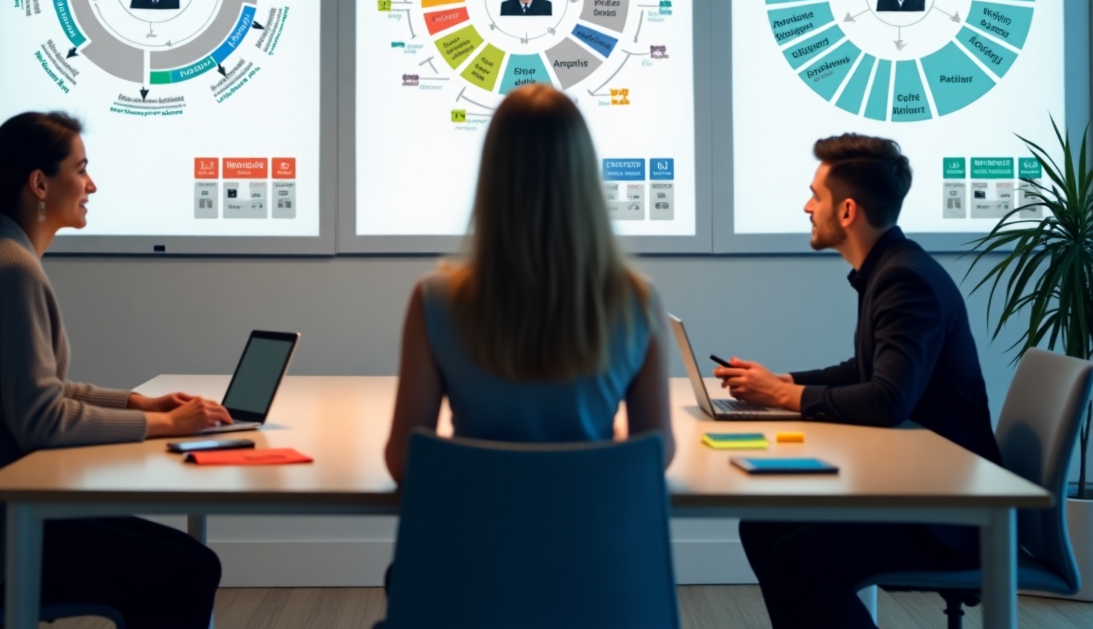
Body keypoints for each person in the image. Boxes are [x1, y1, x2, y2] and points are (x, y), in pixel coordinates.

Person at [714, 134, 1000, 629]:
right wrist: (780, 381)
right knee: (762, 526)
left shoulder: (904, 279)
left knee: (797, 557)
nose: (807, 207)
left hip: (948, 515)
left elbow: (887, 400)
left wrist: (781, 394)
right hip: (918, 486)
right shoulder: (889, 269)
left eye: (815, 195)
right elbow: (865, 370)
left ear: (846, 211)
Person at [0, 111, 231, 628]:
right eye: (81, 169)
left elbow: (38, 389)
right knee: (186, 570)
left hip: (3, 518)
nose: (92, 185)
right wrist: (167, 425)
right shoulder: (12, 270)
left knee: (195, 562)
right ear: (40, 183)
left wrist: (138, 403)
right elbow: (40, 419)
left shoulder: (2, 257)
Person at [385, 84, 674, 485]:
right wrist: (595, 454)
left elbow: (404, 462)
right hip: (592, 546)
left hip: (470, 544)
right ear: (585, 176)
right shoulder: (636, 301)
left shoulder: (435, 300)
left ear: (492, 177)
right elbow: (655, 453)